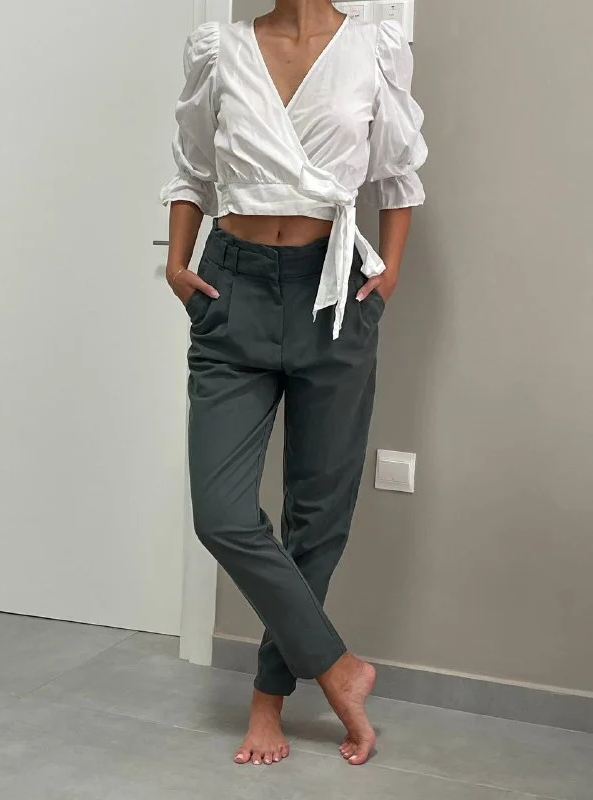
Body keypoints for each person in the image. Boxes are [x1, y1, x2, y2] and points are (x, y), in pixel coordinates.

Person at [159, 0, 426, 767]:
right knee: (222, 513)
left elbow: (397, 175)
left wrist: (388, 277)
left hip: (333, 291)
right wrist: (177, 264)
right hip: (233, 285)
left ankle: (267, 701)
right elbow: (193, 170)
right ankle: (339, 669)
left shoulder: (374, 47)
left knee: (317, 516)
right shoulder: (220, 49)